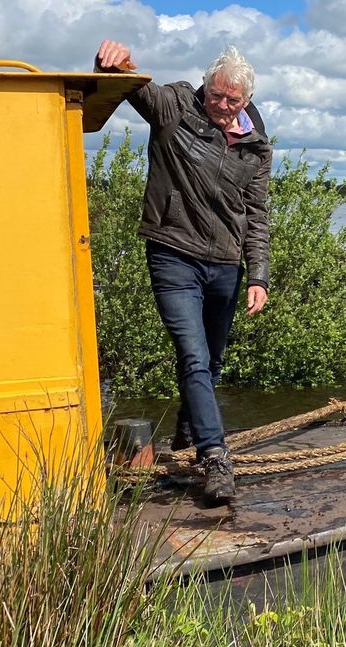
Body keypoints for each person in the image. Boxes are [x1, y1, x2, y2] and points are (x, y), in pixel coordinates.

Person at [96, 39, 273, 502]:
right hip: (173, 253)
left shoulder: (256, 147)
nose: (221, 105)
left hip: (224, 268)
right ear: (206, 87)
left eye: (232, 99)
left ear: (247, 101)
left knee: (210, 365)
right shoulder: (176, 105)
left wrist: (258, 275)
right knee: (192, 356)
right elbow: (139, 90)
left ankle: (185, 442)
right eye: (215, 94)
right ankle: (215, 458)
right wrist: (116, 62)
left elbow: (257, 215)